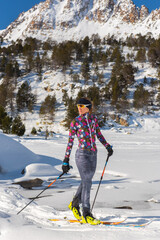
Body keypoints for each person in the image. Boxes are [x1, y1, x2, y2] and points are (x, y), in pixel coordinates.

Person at [62, 98, 113, 225]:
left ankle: (74, 203)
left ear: (88, 107)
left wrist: (107, 146)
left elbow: (99, 134)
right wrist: (66, 160)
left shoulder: (93, 119)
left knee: (86, 181)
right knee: (87, 182)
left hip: (93, 154)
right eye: (77, 106)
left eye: (81, 106)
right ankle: (86, 213)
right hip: (82, 155)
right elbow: (70, 142)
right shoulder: (75, 122)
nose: (78, 108)